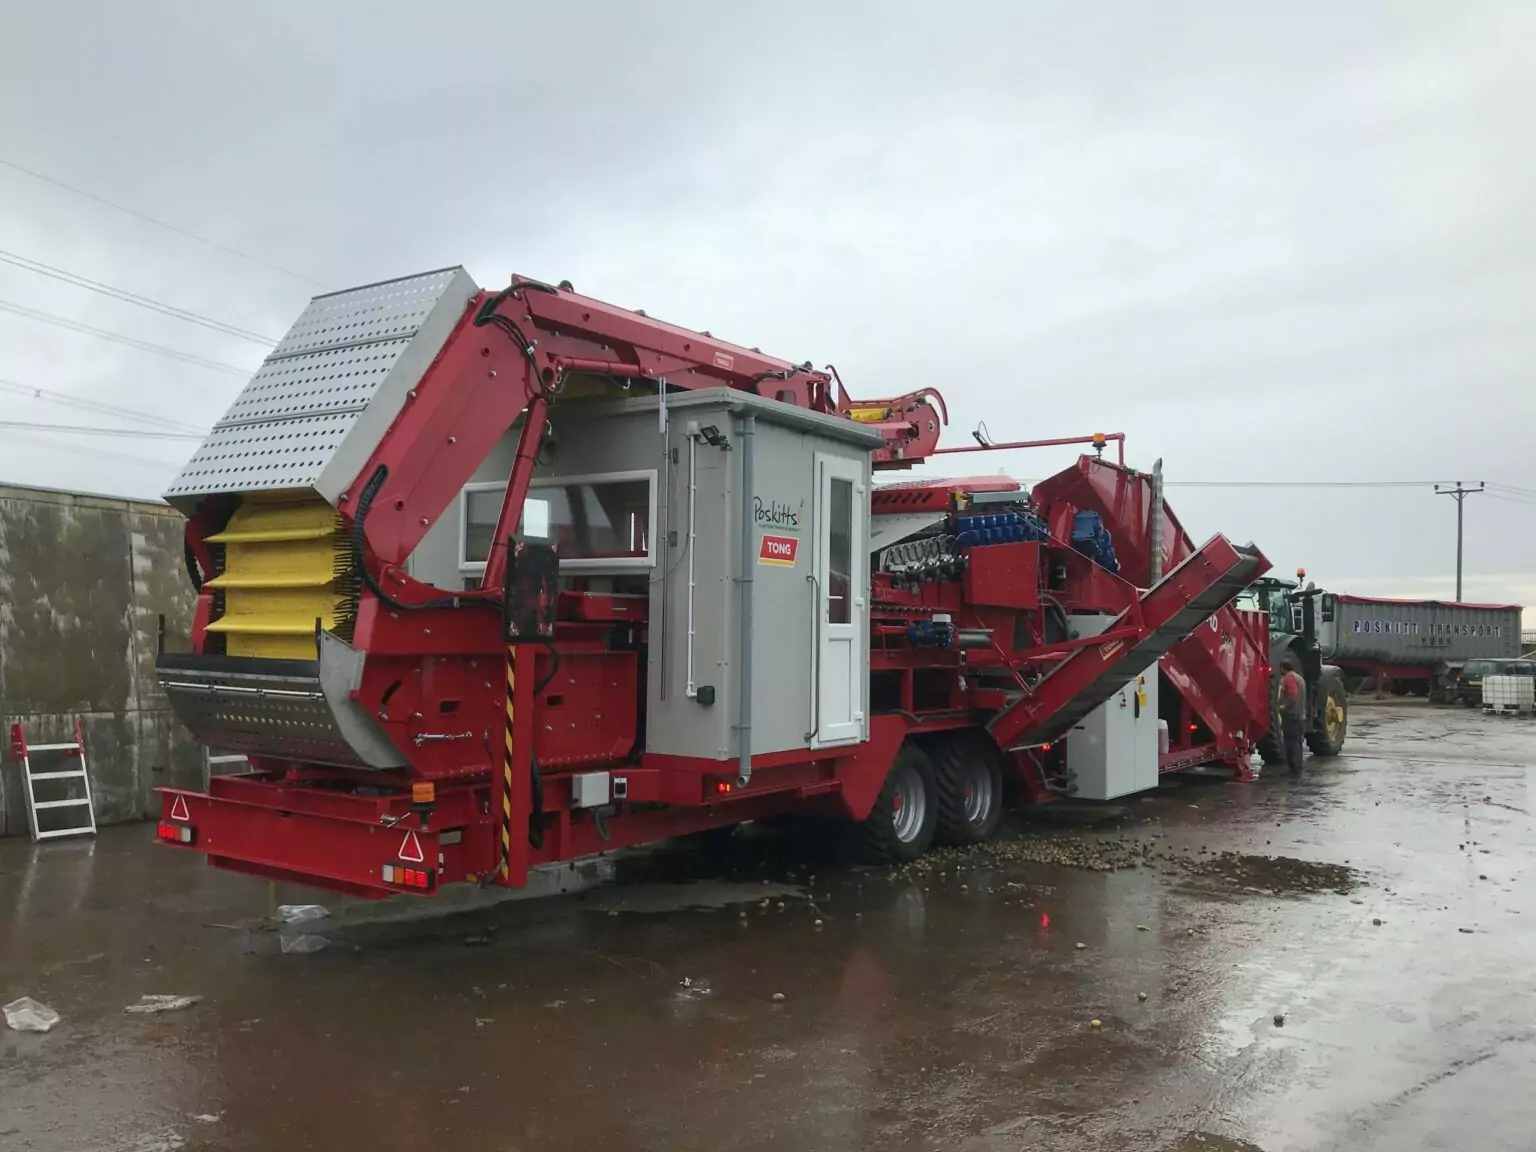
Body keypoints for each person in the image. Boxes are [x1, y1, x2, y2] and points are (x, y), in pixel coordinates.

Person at [1279, 657, 1308, 774]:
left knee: (1291, 743)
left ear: (1282, 668)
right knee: (1298, 742)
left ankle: (1293, 769)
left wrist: (1284, 707)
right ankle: (1298, 767)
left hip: (1292, 715)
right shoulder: (1299, 678)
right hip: (1301, 715)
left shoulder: (1289, 678)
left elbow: (1292, 695)